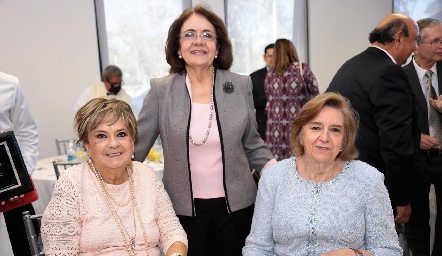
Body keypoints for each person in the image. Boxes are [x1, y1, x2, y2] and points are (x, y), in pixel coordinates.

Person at [134, 5, 275, 256]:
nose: (199, 41)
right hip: (181, 213)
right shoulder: (161, 91)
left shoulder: (239, 84)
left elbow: (253, 144)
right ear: (177, 47)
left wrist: (283, 176)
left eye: (207, 35)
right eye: (189, 34)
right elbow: (135, 149)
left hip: (239, 210)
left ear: (218, 47)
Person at [243, 92, 403, 255]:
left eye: (335, 130)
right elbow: (257, 247)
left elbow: (389, 250)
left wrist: (357, 255)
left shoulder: (368, 180)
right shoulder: (273, 177)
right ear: (300, 134)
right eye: (316, 127)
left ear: (345, 140)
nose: (325, 137)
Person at [41, 98, 188, 255]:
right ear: (86, 143)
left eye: (121, 134)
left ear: (133, 139)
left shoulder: (146, 175)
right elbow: (60, 252)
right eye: (101, 136)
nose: (113, 144)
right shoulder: (72, 183)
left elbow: (172, 231)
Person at [326, 13, 421, 224]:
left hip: (343, 175)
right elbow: (396, 143)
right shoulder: (389, 72)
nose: (416, 48)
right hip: (375, 185)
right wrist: (401, 197)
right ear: (398, 38)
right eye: (415, 40)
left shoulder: (352, 64)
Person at [403, 18, 442, 256]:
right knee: (417, 221)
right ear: (417, 45)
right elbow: (388, 121)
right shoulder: (398, 76)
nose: (441, 45)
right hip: (416, 160)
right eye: (435, 40)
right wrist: (414, 137)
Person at [0, 71, 39, 256]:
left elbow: (26, 131)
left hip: (9, 178)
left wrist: (23, 174)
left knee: (24, 245)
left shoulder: (9, 84)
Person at [265, 38, 319, 160]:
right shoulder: (302, 69)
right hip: (298, 126)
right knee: (299, 164)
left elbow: (269, 100)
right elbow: (316, 95)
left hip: (275, 131)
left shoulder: (270, 74)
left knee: (277, 168)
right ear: (292, 50)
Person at [250, 43, 274, 140]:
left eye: (276, 56)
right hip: (263, 124)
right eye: (269, 56)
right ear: (264, 57)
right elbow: (251, 101)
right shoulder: (254, 76)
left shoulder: (287, 77)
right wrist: (272, 97)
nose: (272, 59)